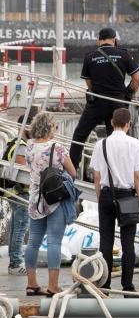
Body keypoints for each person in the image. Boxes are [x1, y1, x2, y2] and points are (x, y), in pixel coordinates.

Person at [90, 108, 139, 296]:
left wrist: (100, 196)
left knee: (105, 241)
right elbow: (138, 175)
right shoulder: (135, 144)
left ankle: (105, 284)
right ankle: (128, 285)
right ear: (128, 124)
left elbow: (97, 175)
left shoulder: (101, 144)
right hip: (127, 195)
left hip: (107, 194)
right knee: (128, 242)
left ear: (112, 122)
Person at [69, 28, 139, 169]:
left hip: (97, 102)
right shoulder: (124, 54)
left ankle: (72, 170)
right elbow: (137, 79)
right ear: (114, 40)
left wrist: (93, 92)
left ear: (99, 40)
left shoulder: (90, 56)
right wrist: (127, 94)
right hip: (118, 103)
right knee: (118, 137)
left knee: (80, 135)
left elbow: (88, 83)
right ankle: (121, 170)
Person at [23, 112, 78, 296]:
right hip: (55, 200)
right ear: (49, 128)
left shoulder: (29, 147)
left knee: (33, 242)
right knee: (54, 241)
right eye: (54, 126)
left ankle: (31, 284)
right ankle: (53, 286)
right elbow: (73, 172)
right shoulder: (58, 148)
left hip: (35, 199)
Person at [4, 112, 33, 276]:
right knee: (20, 229)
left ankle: (13, 262)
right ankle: (15, 263)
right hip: (20, 193)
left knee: (16, 228)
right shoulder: (20, 146)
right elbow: (25, 174)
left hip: (13, 193)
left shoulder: (12, 143)